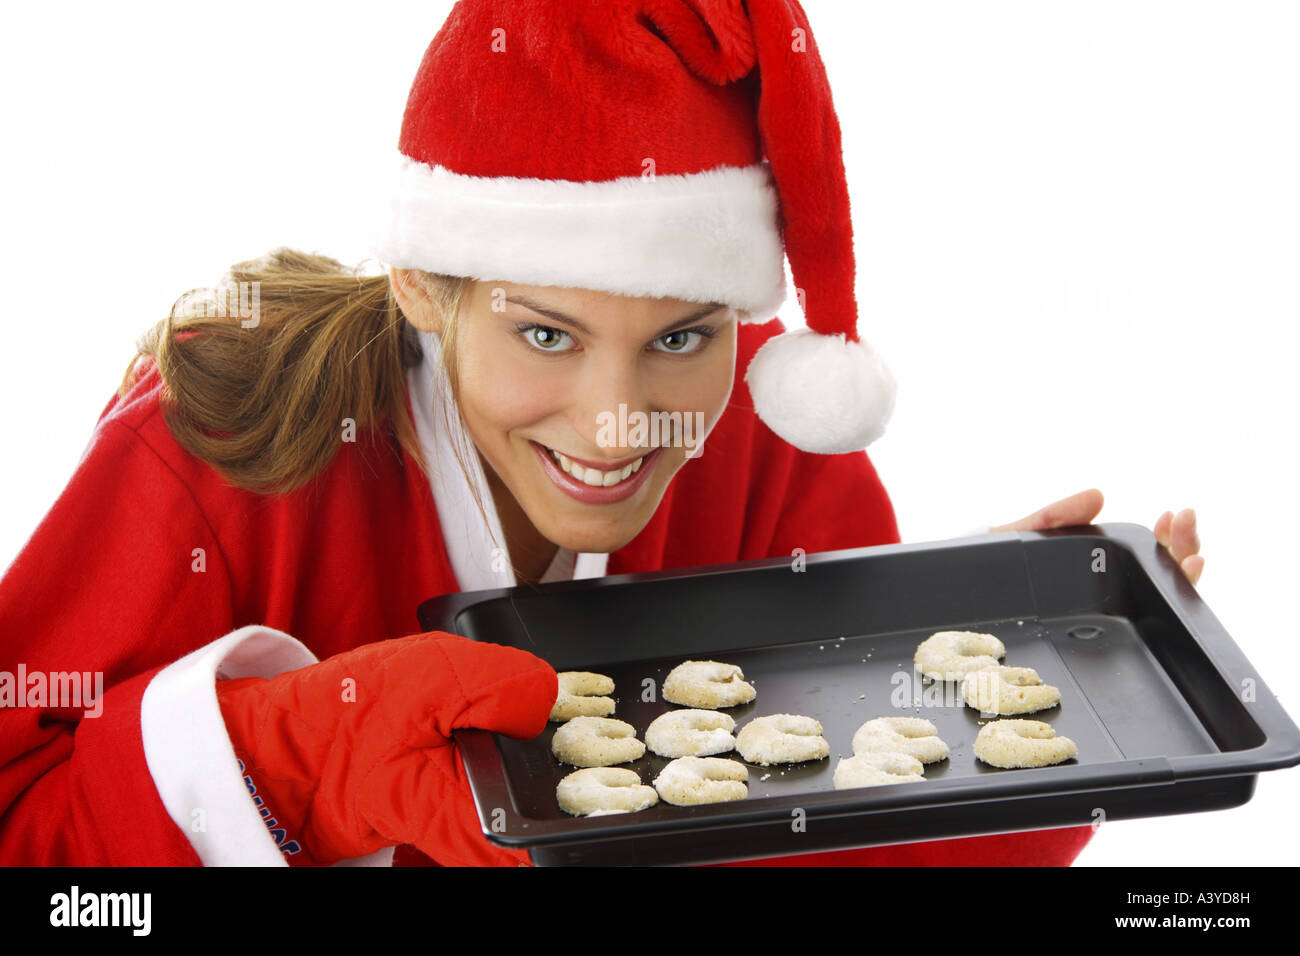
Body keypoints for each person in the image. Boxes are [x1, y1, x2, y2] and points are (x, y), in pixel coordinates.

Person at [0, 0, 1202, 867]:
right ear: (426, 285)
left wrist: (977, 685)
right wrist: (299, 757)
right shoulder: (207, 460)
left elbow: (827, 818)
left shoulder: (767, 457)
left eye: (682, 337)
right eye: (544, 335)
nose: (617, 418)